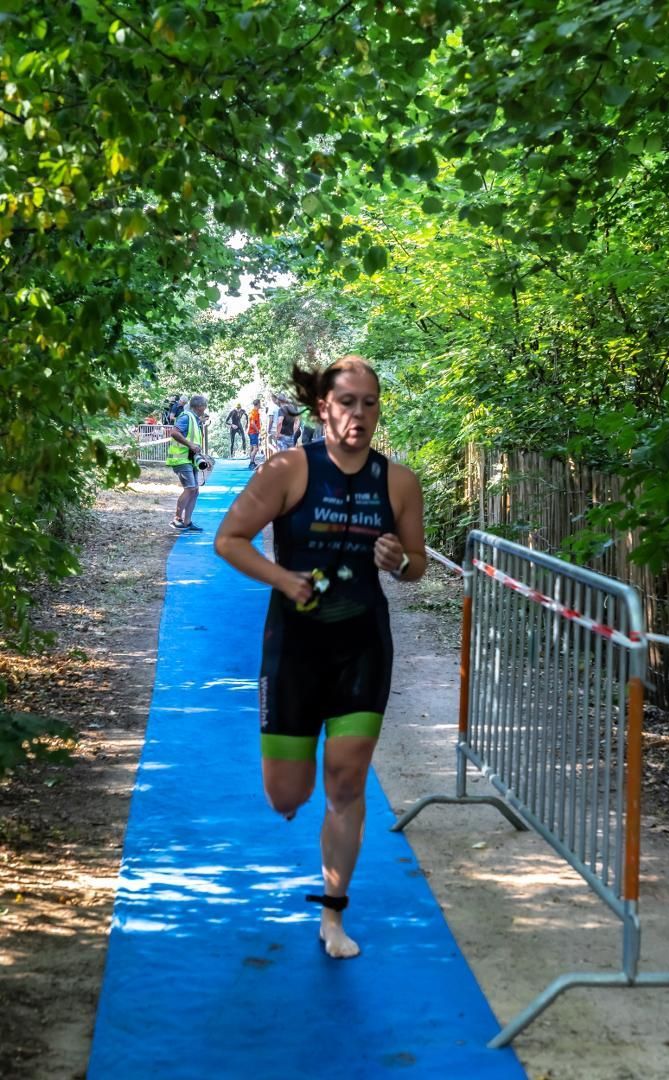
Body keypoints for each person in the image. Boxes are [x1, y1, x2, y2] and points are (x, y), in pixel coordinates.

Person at [215, 355, 426, 959]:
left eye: (369, 403)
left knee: (347, 780)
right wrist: (283, 579)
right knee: (288, 795)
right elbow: (229, 539)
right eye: (347, 402)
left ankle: (334, 915)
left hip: (363, 647)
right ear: (322, 408)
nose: (359, 415)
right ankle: (293, 792)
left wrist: (398, 562)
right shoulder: (289, 468)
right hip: (294, 650)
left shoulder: (399, 481)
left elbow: (416, 565)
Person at [165, 393, 208, 532]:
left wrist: (201, 456)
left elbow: (194, 442)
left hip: (190, 459)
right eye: (205, 406)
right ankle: (177, 519)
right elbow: (174, 432)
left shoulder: (195, 420)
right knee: (190, 488)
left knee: (195, 490)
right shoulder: (186, 417)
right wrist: (190, 445)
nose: (205, 408)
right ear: (200, 407)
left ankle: (187, 522)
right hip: (181, 459)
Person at [247, 398, 262, 469]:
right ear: (258, 404)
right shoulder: (254, 412)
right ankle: (251, 463)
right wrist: (257, 430)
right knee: (255, 448)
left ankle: (252, 462)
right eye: (260, 404)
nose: (260, 405)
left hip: (252, 432)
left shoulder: (255, 412)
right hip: (253, 432)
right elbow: (252, 423)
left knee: (252, 448)